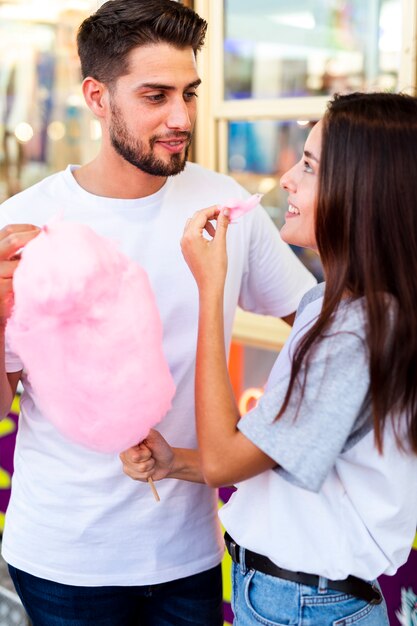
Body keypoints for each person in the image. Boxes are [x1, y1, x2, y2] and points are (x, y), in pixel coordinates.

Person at [0, 1, 315, 625]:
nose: (181, 118)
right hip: (67, 560)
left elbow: (313, 326)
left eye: (190, 94)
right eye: (155, 96)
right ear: (97, 96)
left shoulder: (222, 205)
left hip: (190, 551)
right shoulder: (24, 225)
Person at [128, 92, 417, 625]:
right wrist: (175, 463)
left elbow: (225, 461)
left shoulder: (359, 332)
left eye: (308, 166)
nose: (287, 178)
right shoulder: (331, 305)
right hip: (289, 596)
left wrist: (210, 289)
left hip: (307, 606)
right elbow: (265, 455)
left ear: (364, 189)